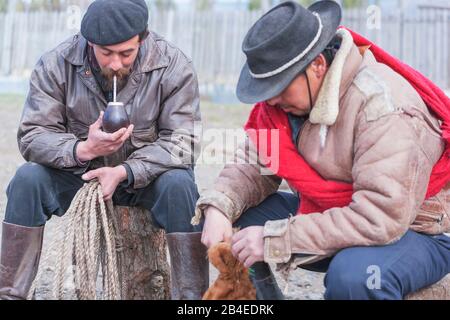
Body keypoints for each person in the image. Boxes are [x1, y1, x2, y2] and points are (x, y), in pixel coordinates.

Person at [194, 0, 450, 300]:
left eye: (279, 87)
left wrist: (276, 238)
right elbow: (255, 166)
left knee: (355, 277)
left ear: (317, 66)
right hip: (339, 215)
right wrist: (220, 206)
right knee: (238, 218)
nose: (271, 100)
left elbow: (379, 217)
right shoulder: (287, 103)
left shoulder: (383, 107)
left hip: (412, 232)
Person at [0, 0, 208, 300]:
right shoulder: (56, 63)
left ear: (143, 39)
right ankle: (10, 294)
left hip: (142, 179)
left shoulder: (173, 65)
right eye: (105, 53)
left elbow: (184, 140)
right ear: (89, 43)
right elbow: (33, 134)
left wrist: (126, 171)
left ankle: (192, 301)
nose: (115, 64)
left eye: (126, 53)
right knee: (27, 180)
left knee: (180, 185)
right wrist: (82, 149)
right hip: (80, 176)